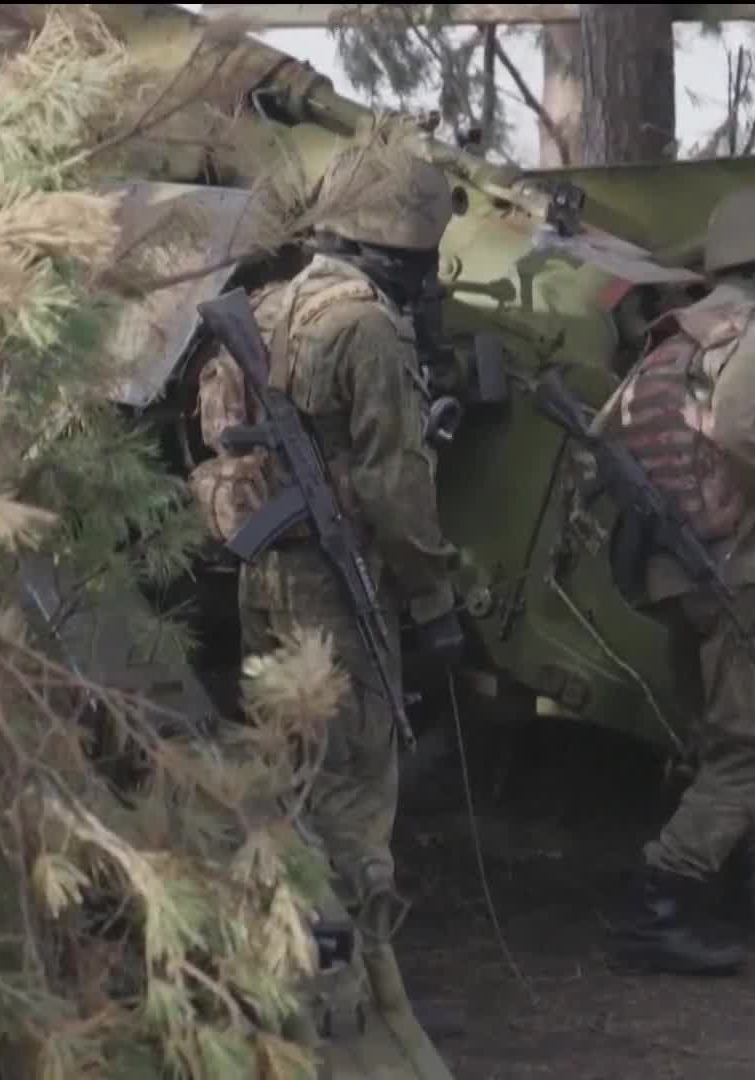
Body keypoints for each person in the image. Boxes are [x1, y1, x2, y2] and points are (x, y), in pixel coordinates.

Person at [199, 135, 467, 967]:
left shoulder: (270, 307)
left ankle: (272, 961)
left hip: (265, 575)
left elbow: (214, 431)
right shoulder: (369, 329)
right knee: (349, 790)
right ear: (403, 244)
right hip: (336, 584)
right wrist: (433, 597)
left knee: (283, 775)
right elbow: (397, 486)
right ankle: (346, 989)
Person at [592, 184, 755, 976]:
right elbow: (743, 429)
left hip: (681, 571)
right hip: (742, 571)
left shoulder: (673, 339)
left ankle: (738, 878)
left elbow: (606, 443)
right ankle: (659, 905)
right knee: (751, 748)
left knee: (714, 741)